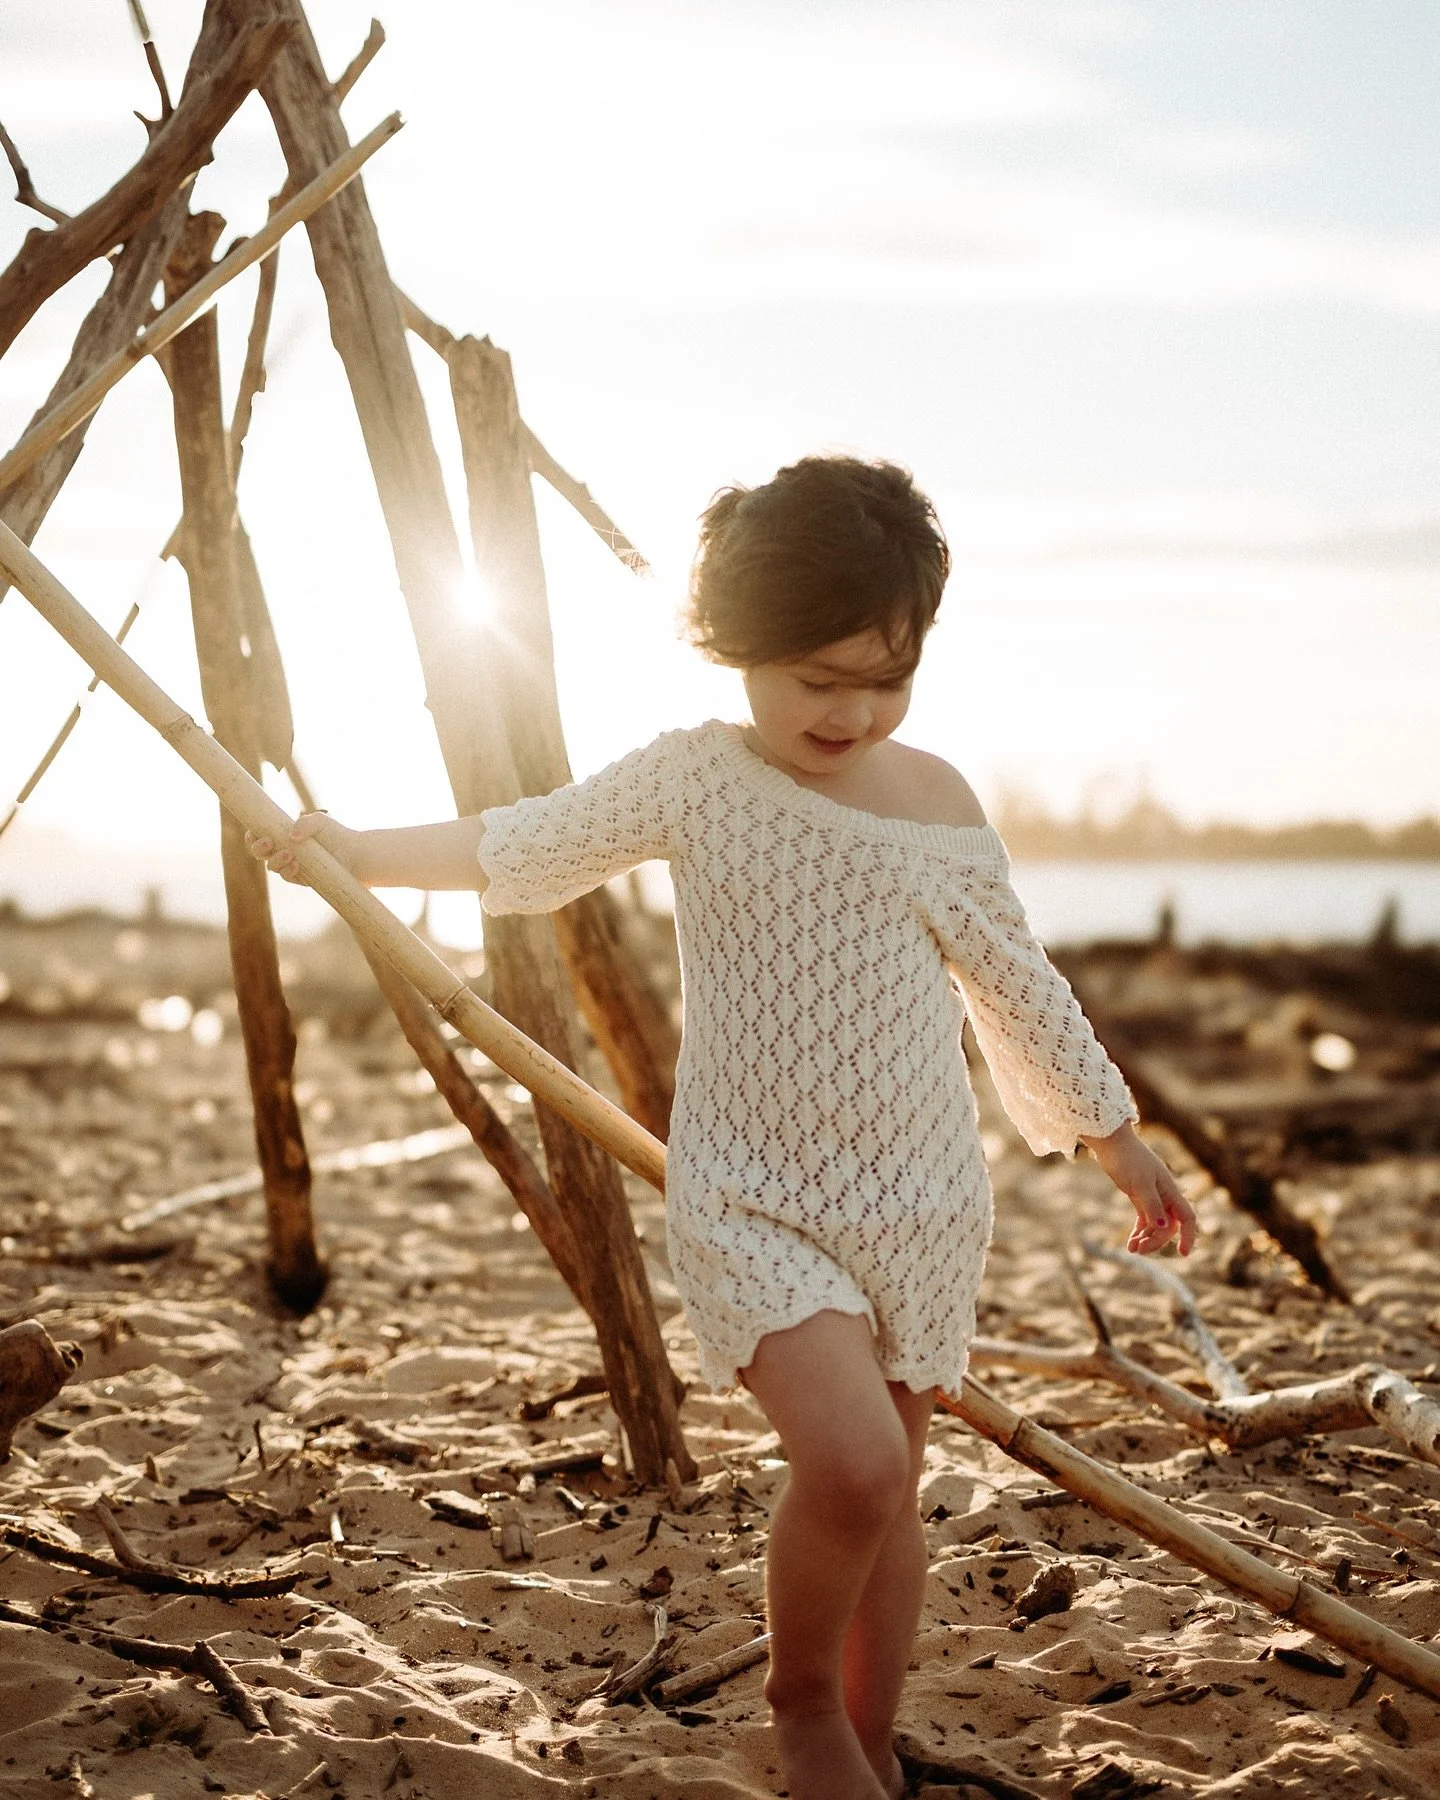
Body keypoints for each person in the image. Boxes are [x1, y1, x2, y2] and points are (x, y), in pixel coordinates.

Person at [248, 454, 1198, 1800]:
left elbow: (1017, 987)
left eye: (887, 676)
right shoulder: (698, 782)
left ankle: (870, 1742)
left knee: (891, 1493)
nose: (853, 710)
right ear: (742, 648)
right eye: (819, 676)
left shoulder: (934, 804)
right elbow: (525, 843)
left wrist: (1121, 1140)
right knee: (855, 1465)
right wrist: (348, 847)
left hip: (921, 1206)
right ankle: (801, 1701)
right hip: (753, 1200)